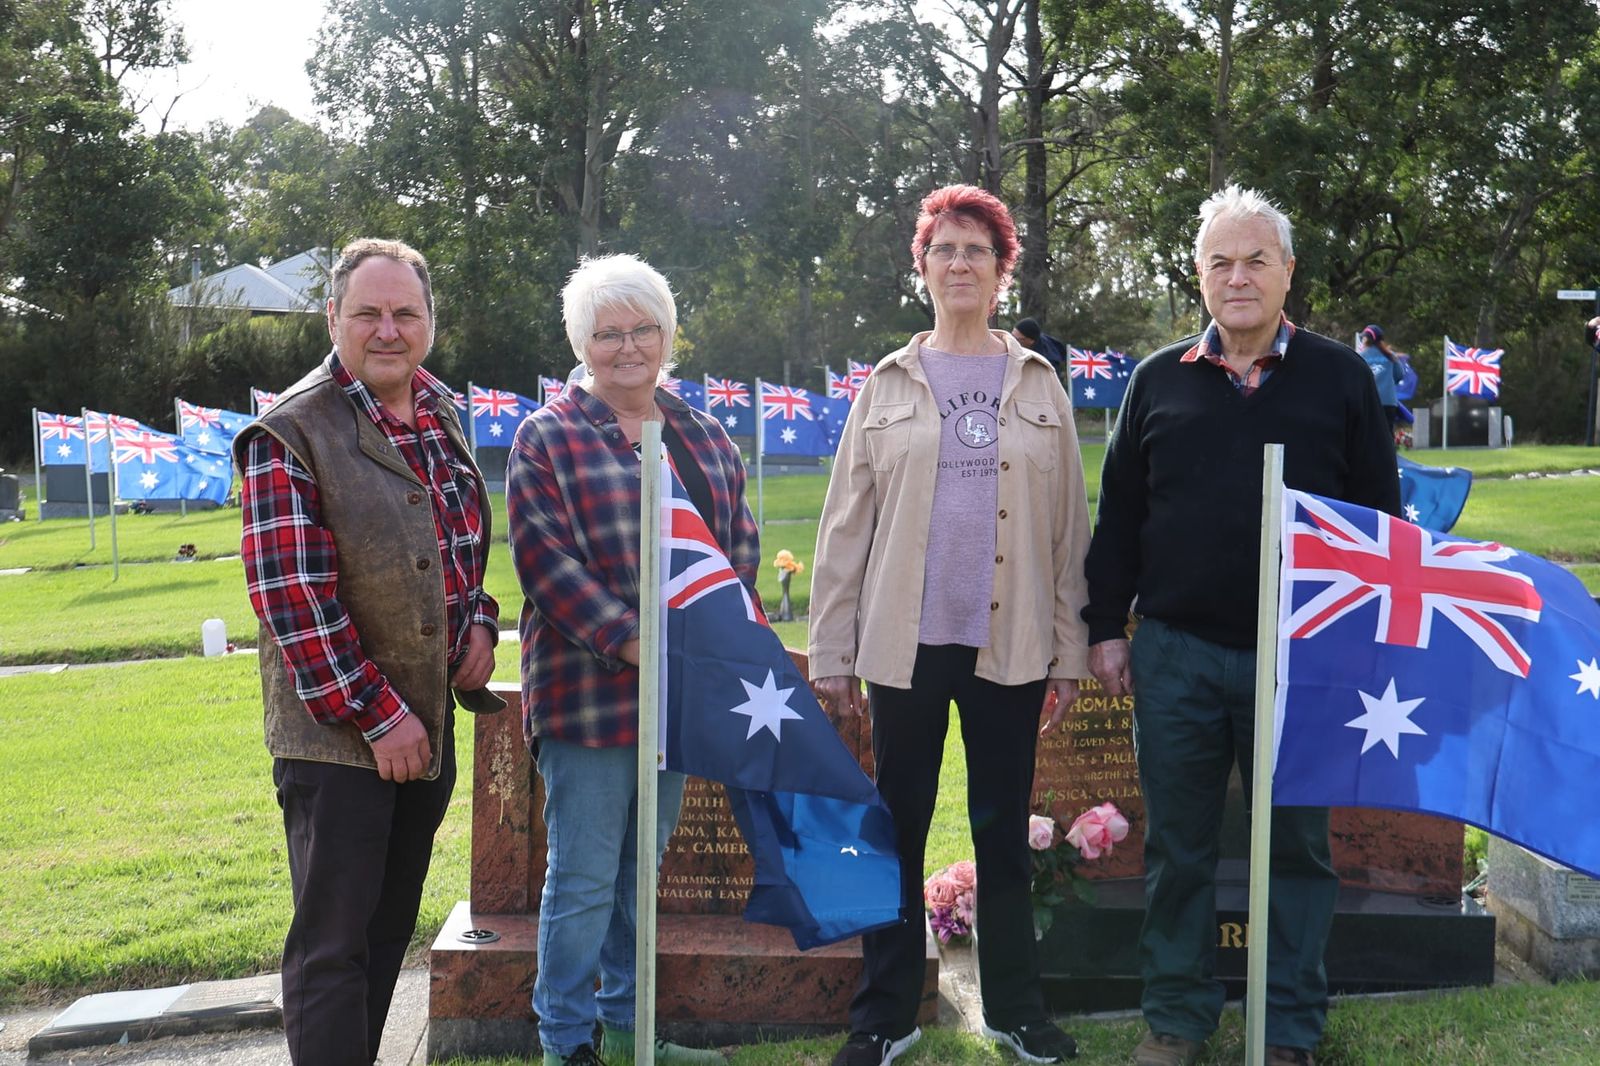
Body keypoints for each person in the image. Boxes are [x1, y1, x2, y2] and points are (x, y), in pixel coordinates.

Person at [1082, 186, 1399, 1066]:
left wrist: (1364, 645)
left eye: (1257, 259)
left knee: (1296, 848)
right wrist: (1106, 629)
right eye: (1221, 261)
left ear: (1288, 271)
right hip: (1176, 654)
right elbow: (1120, 517)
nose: (1239, 277)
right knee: (1178, 849)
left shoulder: (1341, 379)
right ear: (1199, 276)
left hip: (1301, 656)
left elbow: (1381, 522)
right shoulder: (1157, 380)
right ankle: (1176, 1020)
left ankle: (1288, 1026)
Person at [810, 184, 1092, 1066]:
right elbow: (845, 524)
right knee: (895, 824)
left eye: (978, 250)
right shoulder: (887, 384)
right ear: (922, 268)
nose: (960, 263)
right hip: (906, 645)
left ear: (1003, 272)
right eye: (945, 249)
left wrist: (1070, 652)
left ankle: (1017, 1011)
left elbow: (1069, 528)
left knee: (1003, 830)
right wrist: (832, 648)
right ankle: (884, 1016)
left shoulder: (1039, 383)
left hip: (1012, 644)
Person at [238, 238, 500, 1066]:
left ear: (429, 322)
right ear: (333, 319)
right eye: (369, 313)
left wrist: (480, 621)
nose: (389, 330)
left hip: (423, 733)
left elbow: (457, 548)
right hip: (341, 741)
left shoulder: (438, 409)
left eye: (405, 313)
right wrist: (380, 717)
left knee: (385, 935)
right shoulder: (289, 431)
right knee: (332, 950)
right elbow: (294, 600)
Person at [506, 254, 751, 1066]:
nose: (628, 347)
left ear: (668, 335)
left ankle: (629, 1029)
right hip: (586, 694)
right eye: (608, 333)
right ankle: (565, 1042)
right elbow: (544, 563)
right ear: (582, 344)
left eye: (644, 329)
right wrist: (635, 640)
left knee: (641, 875)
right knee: (583, 879)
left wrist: (712, 646)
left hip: (677, 694)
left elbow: (736, 546)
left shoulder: (702, 435)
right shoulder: (546, 436)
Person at [1357, 324, 1405, 430]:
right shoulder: (1390, 355)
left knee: (1370, 434)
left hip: (1369, 402)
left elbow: (1357, 380)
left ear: (1366, 339)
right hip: (1389, 401)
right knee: (1388, 433)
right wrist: (1388, 384)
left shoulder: (1361, 356)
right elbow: (1399, 375)